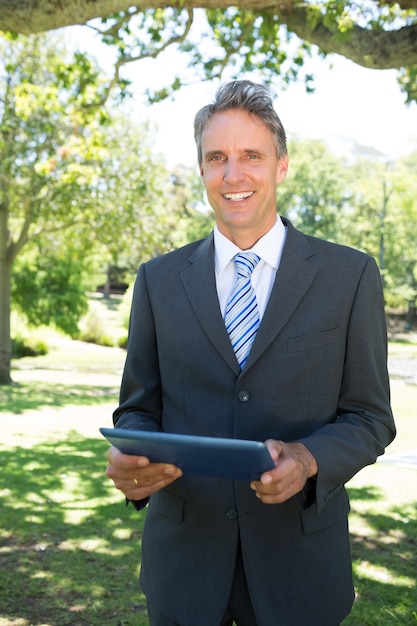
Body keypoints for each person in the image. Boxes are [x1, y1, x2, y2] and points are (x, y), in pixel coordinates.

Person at [105, 80, 395, 626]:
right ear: (201, 170)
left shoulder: (349, 276)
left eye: (251, 156)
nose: (232, 175)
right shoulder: (157, 280)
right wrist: (130, 458)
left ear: (282, 165)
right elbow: (139, 406)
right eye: (216, 157)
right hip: (184, 569)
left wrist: (308, 460)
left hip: (300, 569)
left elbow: (370, 418)